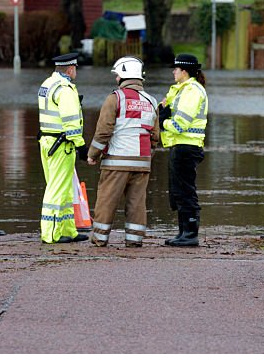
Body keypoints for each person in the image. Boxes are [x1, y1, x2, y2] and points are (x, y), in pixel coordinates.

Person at [85, 56, 160, 248]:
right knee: (137, 202)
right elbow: (155, 135)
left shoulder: (115, 98)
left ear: (123, 76)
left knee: (107, 200)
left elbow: (103, 131)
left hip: (117, 161)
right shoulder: (151, 101)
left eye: (117, 75)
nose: (116, 78)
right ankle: (134, 240)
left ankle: (100, 238)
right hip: (142, 162)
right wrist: (148, 154)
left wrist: (93, 154)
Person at [37, 52, 88, 243]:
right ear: (70, 68)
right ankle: (50, 234)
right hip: (61, 146)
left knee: (65, 189)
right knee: (56, 190)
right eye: (75, 68)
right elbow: (71, 122)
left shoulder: (47, 84)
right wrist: (81, 145)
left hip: (47, 142)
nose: (76, 71)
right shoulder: (65, 89)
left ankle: (68, 230)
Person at [159, 53, 209, 247]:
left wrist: (164, 121)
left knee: (185, 191)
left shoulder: (192, 91)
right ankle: (183, 232)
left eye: (176, 69)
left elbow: (180, 124)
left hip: (187, 146)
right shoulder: (183, 89)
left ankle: (189, 234)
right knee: (179, 191)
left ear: (185, 71)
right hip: (182, 146)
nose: (173, 71)